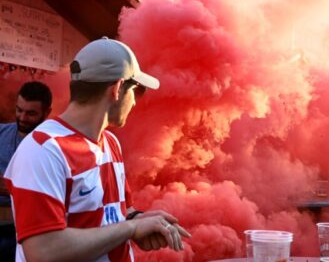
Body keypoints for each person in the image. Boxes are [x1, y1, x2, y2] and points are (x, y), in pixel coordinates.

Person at [4, 38, 190, 261]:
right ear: (118, 89)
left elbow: (113, 215)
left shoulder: (110, 142)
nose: (135, 102)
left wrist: (138, 220)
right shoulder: (43, 149)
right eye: (137, 91)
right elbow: (43, 250)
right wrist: (129, 230)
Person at [0, 81, 52, 261]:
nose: (22, 117)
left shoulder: (52, 146)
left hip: (26, 234)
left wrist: (10, 187)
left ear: (47, 113)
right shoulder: (2, 132)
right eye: (19, 110)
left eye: (30, 113)